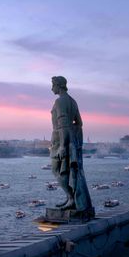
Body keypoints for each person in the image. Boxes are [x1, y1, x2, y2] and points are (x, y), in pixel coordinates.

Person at [50, 76, 93, 212]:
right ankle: (71, 198)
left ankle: (71, 198)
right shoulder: (73, 102)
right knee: (67, 171)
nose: (52, 88)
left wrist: (63, 145)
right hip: (71, 140)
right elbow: (79, 123)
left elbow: (62, 125)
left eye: (53, 85)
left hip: (60, 140)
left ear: (59, 85)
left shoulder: (59, 101)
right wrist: (73, 140)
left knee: (57, 170)